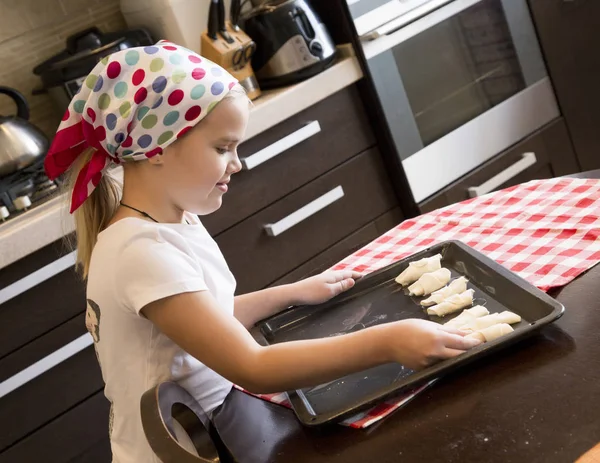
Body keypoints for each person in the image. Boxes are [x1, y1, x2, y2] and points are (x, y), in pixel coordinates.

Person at [45, 41, 480, 462]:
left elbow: (204, 320)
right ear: (155, 147)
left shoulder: (171, 220)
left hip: (222, 420)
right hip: (191, 447)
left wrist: (290, 293)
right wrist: (389, 340)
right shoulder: (141, 252)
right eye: (222, 148)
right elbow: (253, 365)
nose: (237, 164)